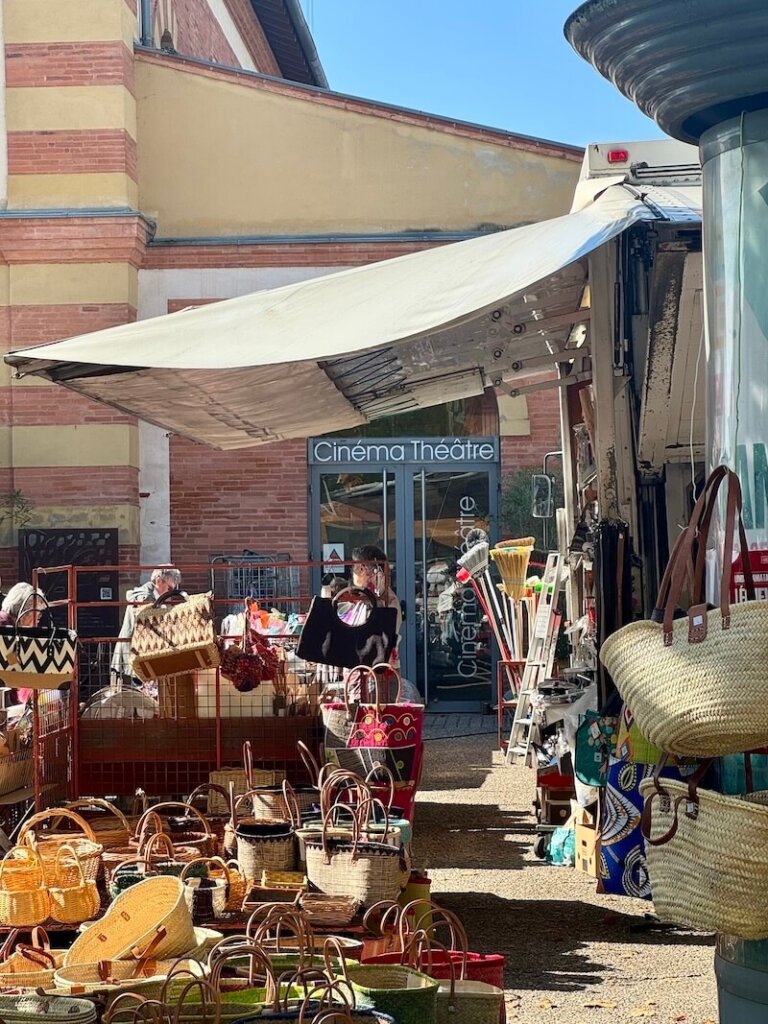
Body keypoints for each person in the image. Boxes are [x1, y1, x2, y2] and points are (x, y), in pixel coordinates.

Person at [110, 567, 182, 684]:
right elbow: (146, 615)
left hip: (141, 655)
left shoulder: (155, 598)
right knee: (138, 696)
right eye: (169, 588)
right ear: (159, 581)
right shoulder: (144, 596)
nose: (170, 593)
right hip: (135, 655)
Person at [0, 582, 47, 704]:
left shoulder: (10, 626)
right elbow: (10, 659)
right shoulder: (4, 626)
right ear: (24, 611)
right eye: (37, 613)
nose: (38, 619)